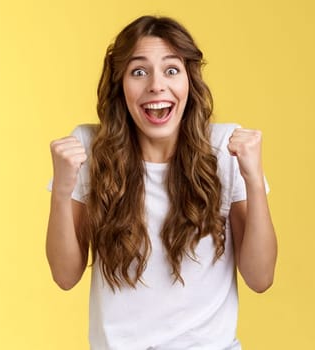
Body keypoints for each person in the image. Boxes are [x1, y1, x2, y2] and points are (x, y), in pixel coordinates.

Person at [46, 15, 277, 349]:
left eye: (171, 70)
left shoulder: (225, 147)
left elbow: (260, 278)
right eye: (139, 71)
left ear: (189, 82)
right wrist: (62, 191)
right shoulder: (89, 149)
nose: (156, 85)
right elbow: (65, 276)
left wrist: (254, 181)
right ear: (120, 85)